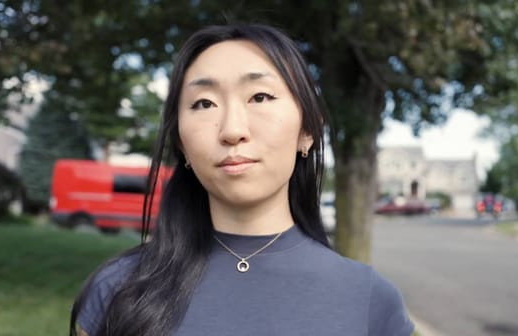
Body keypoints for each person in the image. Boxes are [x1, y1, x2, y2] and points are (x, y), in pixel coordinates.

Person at [70, 23, 414, 336]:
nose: (232, 130)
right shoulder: (117, 289)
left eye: (260, 97)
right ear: (181, 144)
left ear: (307, 129)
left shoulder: (372, 302)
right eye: (204, 103)